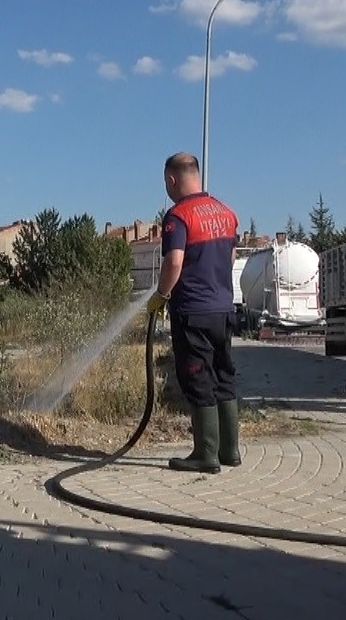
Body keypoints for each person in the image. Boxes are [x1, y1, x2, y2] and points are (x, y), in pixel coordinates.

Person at [147, 152, 240, 474]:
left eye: (166, 183)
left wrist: (161, 296)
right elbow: (230, 258)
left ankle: (205, 454)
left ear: (172, 179)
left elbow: (174, 261)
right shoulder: (226, 214)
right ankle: (231, 450)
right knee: (224, 378)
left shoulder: (179, 216)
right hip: (224, 309)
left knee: (198, 379)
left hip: (193, 313)